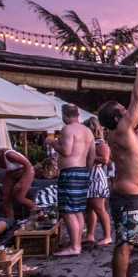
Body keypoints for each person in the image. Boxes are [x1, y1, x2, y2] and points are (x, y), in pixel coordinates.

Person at [95, 60, 138, 277]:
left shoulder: (124, 129)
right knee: (124, 244)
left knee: (128, 244)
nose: (127, 109)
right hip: (127, 197)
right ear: (117, 116)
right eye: (123, 108)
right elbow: (137, 100)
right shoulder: (120, 130)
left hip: (131, 196)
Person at [46, 104, 94, 256]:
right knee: (77, 210)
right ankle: (76, 242)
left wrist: (52, 143)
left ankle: (75, 247)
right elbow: (92, 155)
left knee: (67, 211)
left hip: (70, 172)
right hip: (82, 171)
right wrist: (87, 171)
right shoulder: (87, 131)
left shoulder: (68, 129)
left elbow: (66, 152)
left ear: (64, 115)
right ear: (78, 114)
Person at [0, 139, 36, 220]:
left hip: (26, 171)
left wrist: (21, 182)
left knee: (19, 198)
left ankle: (38, 211)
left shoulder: (8, 154)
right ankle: (9, 220)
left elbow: (28, 165)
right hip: (10, 173)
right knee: (5, 199)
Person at [83, 118, 112, 246]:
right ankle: (90, 235)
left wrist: (90, 156)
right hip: (89, 176)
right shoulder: (90, 142)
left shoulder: (100, 143)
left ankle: (107, 236)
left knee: (99, 208)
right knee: (89, 208)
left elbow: (105, 159)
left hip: (96, 177)